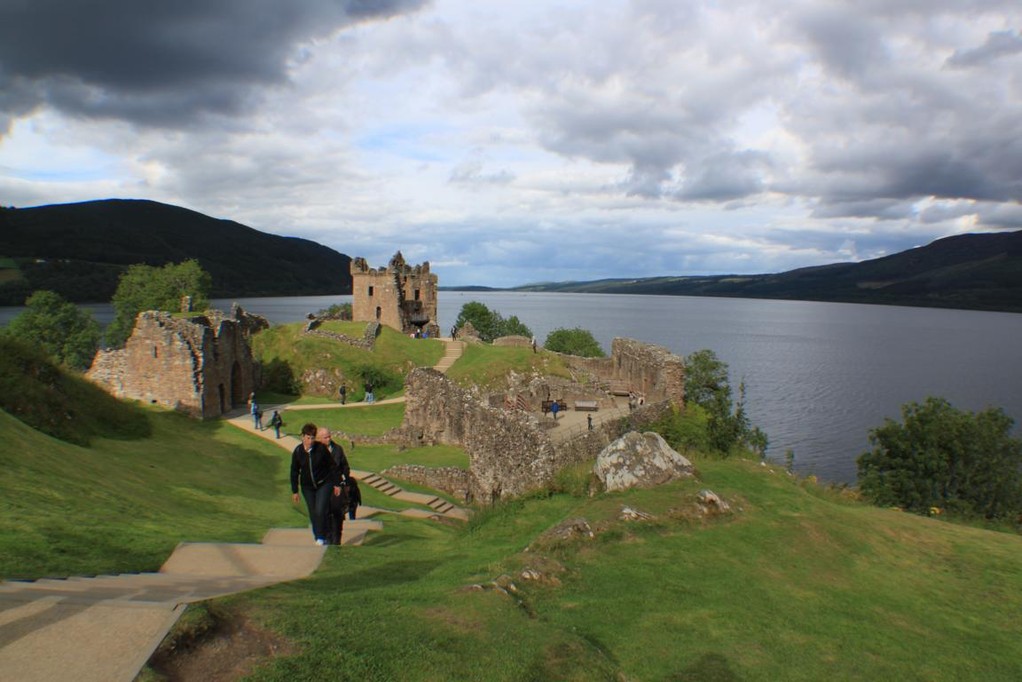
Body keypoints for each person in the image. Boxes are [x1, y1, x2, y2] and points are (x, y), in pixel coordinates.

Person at [290, 423, 339, 546]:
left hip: (324, 483)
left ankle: (323, 536)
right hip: (307, 487)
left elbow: (332, 466)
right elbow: (294, 471)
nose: (310, 441)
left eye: (312, 438)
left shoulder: (321, 449)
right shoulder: (298, 451)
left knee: (320, 510)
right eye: (308, 438)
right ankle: (319, 536)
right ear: (302, 437)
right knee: (313, 512)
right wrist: (295, 491)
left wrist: (337, 483)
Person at [316, 427, 351, 546]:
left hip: (337, 487)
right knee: (324, 514)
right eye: (325, 437)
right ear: (319, 439)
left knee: (337, 515)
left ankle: (336, 541)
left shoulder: (338, 449)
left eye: (329, 436)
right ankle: (327, 539)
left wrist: (346, 481)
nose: (329, 439)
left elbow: (345, 466)